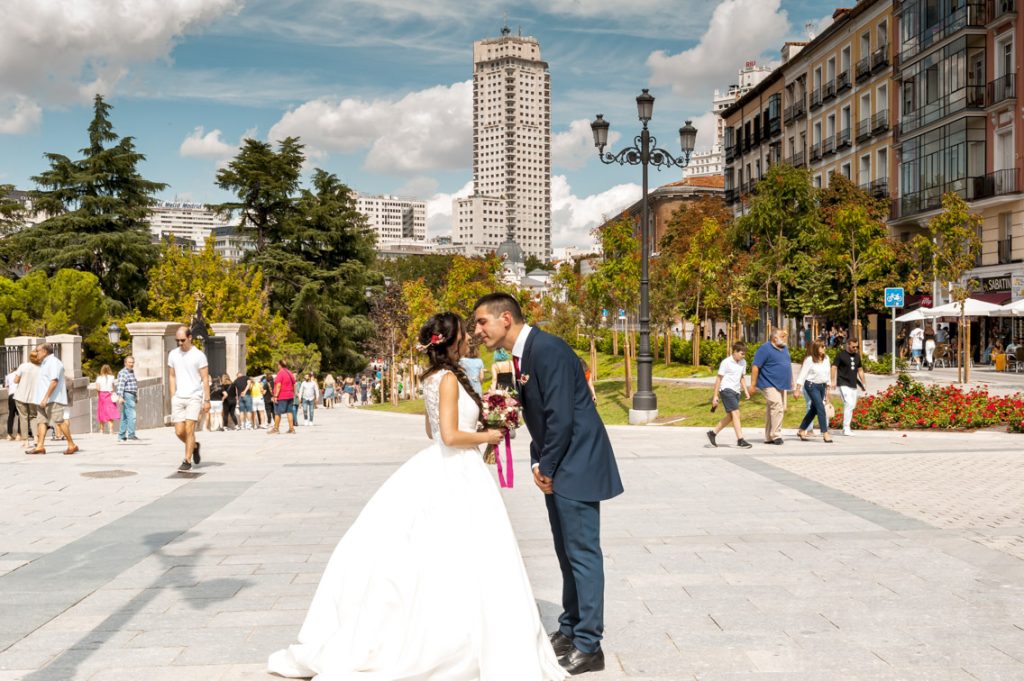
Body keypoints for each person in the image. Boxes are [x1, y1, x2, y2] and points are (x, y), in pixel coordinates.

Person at [268, 311, 566, 681]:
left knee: (437, 552)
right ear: (452, 341)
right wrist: (488, 435)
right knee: (466, 551)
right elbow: (449, 436)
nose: (470, 338)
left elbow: (432, 431)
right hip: (458, 469)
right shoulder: (449, 379)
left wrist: (481, 424)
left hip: (441, 465)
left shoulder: (433, 377)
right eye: (464, 334)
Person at [473, 293, 623, 675]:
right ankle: (571, 628)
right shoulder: (523, 354)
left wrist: (547, 466)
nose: (477, 330)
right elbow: (539, 415)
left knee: (582, 554)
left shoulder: (548, 349)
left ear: (506, 319)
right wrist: (539, 460)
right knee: (566, 552)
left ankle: (589, 644)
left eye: (481, 322)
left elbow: (561, 417)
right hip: (560, 464)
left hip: (577, 463)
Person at [168, 326, 210, 472]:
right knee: (179, 432)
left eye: (182, 340)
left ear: (190, 337)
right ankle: (195, 446)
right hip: (178, 397)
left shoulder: (199, 355)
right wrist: (173, 396)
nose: (180, 343)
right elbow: (171, 376)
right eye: (177, 340)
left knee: (189, 429)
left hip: (194, 396)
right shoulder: (173, 354)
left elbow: (205, 379)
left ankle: (187, 461)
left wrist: (207, 400)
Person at [29, 342, 78, 456]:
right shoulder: (44, 363)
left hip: (52, 399)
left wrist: (46, 398)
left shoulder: (54, 362)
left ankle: (72, 445)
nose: (36, 353)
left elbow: (54, 381)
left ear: (45, 351)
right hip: (42, 400)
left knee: (59, 421)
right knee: (41, 422)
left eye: (38, 351)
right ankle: (40, 446)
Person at [750, 328, 793, 445]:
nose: (785, 338)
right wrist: (753, 385)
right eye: (782, 337)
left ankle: (769, 437)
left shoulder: (784, 348)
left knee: (771, 410)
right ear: (774, 338)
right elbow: (755, 366)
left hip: (780, 384)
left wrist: (791, 380)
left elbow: (787, 365)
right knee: (777, 405)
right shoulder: (764, 349)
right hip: (767, 383)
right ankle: (776, 435)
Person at [706, 342, 752, 449]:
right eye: (741, 354)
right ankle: (740, 440)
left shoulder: (743, 362)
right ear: (735, 352)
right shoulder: (726, 362)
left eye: (744, 354)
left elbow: (741, 377)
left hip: (736, 391)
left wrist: (746, 390)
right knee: (736, 413)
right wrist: (715, 396)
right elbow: (718, 379)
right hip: (726, 390)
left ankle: (713, 433)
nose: (743, 356)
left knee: (731, 416)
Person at [795, 340, 833, 443]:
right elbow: (802, 374)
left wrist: (828, 389)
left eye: (824, 346)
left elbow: (828, 374)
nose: (824, 348)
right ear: (816, 348)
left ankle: (802, 430)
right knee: (820, 407)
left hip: (822, 386)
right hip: (811, 385)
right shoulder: (810, 360)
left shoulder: (826, 359)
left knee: (814, 410)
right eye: (822, 346)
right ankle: (825, 433)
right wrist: (797, 389)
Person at [832, 338, 866, 437]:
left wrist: (863, 383)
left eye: (856, 347)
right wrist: (832, 380)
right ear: (848, 345)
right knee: (849, 403)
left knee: (852, 406)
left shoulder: (857, 356)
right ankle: (846, 428)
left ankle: (847, 427)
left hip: (853, 384)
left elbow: (860, 370)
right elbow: (834, 367)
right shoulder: (840, 355)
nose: (855, 348)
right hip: (843, 383)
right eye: (853, 347)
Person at [13, 350, 41, 450]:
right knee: (34, 417)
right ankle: (36, 439)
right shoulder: (41, 368)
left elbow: (16, 380)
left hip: (20, 395)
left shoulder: (23, 366)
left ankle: (25, 441)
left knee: (23, 418)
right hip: (34, 397)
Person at [115, 356, 140, 442]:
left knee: (125, 416)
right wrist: (120, 396)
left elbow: (133, 385)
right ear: (125, 363)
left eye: (132, 362)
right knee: (132, 415)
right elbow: (120, 385)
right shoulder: (123, 372)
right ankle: (131, 435)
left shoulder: (131, 371)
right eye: (129, 362)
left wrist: (136, 396)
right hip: (127, 394)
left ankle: (121, 436)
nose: (131, 364)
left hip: (132, 395)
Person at [269, 359, 296, 434]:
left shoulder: (280, 373)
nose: (277, 366)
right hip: (290, 395)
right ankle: (291, 429)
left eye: (278, 365)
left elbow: (278, 385)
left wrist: (275, 396)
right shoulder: (290, 372)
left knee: (277, 412)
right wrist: (293, 393)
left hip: (281, 396)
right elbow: (294, 384)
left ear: (280, 365)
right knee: (289, 412)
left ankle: (276, 429)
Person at [93, 365, 118, 435]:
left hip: (102, 395)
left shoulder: (99, 378)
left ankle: (101, 430)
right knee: (110, 412)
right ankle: (111, 430)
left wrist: (98, 394)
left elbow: (97, 388)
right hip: (109, 395)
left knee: (102, 412)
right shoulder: (112, 377)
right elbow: (112, 388)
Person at [5, 367, 19, 441]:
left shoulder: (8, 376)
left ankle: (9, 435)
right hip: (19, 395)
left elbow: (7, 387)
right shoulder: (19, 374)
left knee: (11, 414)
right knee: (20, 415)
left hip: (11, 395)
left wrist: (10, 394)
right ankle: (19, 435)